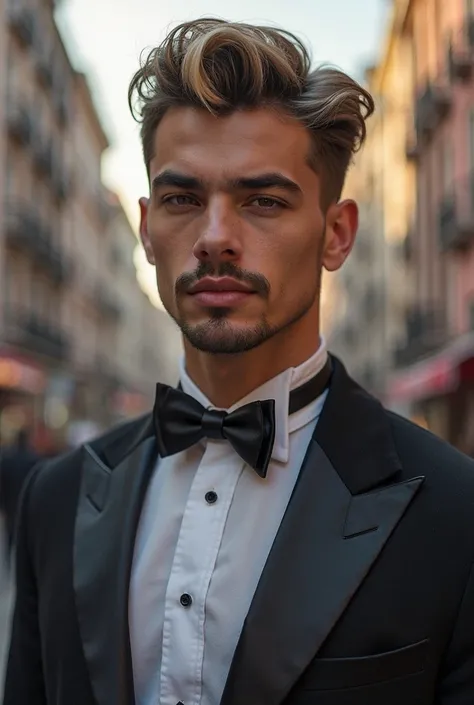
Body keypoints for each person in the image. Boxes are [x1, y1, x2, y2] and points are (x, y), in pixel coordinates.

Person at [4, 18, 474, 705]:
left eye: (263, 200)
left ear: (336, 233)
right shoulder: (56, 500)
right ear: (145, 230)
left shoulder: (454, 513)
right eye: (182, 199)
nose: (216, 238)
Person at [0, 427, 39, 567]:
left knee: (10, 535)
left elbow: (2, 483)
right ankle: (23, 564)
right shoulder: (34, 460)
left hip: (10, 503)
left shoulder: (7, 460)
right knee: (26, 535)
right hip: (28, 503)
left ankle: (9, 563)